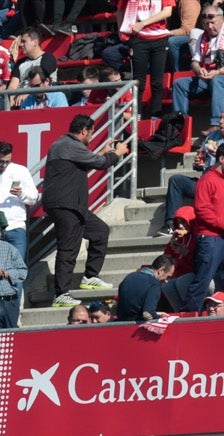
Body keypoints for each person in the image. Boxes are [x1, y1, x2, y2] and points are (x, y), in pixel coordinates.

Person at [45, 114, 130, 307]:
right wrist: (117, 153)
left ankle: (90, 277)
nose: (91, 136)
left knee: (100, 231)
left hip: (73, 206)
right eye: (91, 132)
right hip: (66, 205)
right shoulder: (69, 145)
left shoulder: (66, 145)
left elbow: (90, 161)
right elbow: (100, 164)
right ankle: (61, 294)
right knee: (69, 248)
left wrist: (102, 153)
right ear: (84, 130)